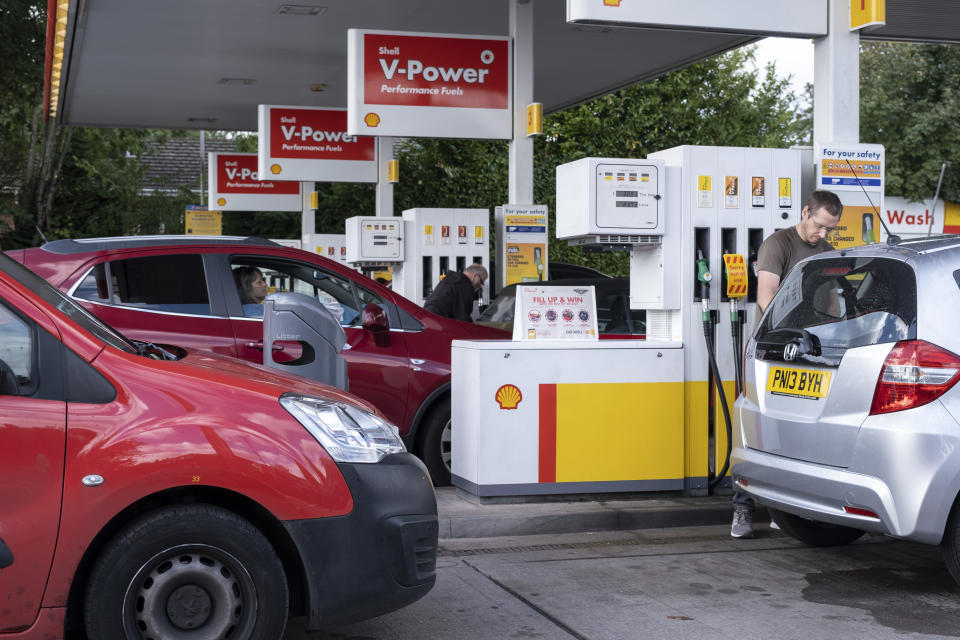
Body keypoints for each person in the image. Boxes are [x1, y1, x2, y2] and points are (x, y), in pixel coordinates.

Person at [731, 189, 843, 539]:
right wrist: (791, 339)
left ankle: (787, 509)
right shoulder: (778, 244)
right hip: (773, 350)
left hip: (813, 356)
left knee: (798, 431)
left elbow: (835, 304)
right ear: (806, 211)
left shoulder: (827, 253)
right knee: (758, 427)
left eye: (830, 230)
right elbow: (767, 297)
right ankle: (742, 509)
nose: (823, 235)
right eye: (820, 226)